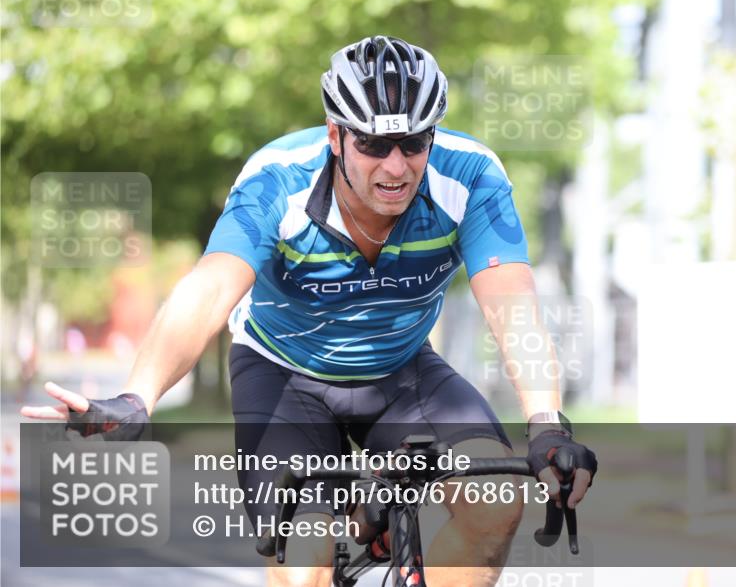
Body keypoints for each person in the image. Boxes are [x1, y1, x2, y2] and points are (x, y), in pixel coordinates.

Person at [22, 36, 597, 587]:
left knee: (495, 505)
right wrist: (138, 396)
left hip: (400, 368)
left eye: (413, 143)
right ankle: (357, 518)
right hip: (283, 374)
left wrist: (546, 424)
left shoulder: (470, 176)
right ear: (335, 136)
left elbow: (512, 307)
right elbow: (210, 289)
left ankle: (372, 515)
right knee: (303, 568)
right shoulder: (277, 179)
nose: (396, 167)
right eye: (373, 145)